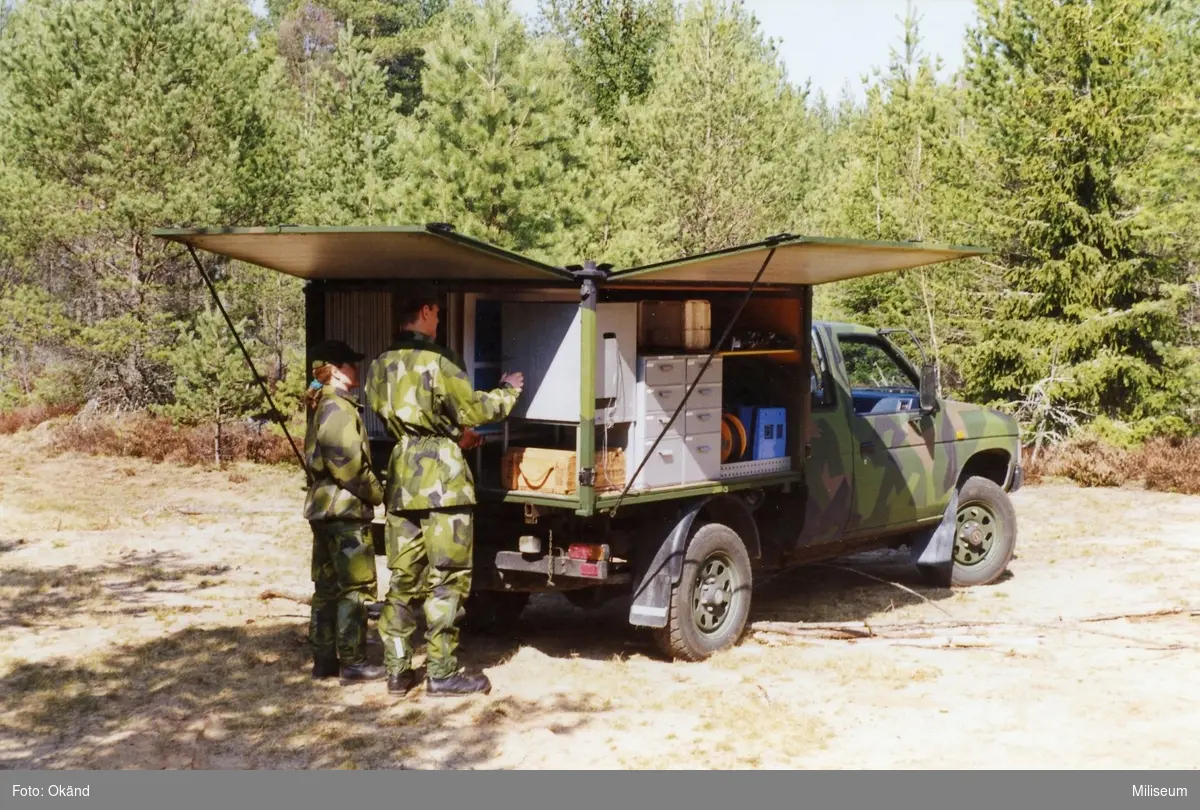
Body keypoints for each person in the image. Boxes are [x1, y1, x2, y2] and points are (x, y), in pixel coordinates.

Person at [364, 288, 523, 697]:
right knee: (448, 579)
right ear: (425, 310)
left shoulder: (379, 365)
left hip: (402, 480)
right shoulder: (440, 361)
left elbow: (405, 416)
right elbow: (474, 411)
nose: (439, 320)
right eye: (437, 313)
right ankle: (442, 672)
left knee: (401, 580)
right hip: (444, 485)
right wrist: (507, 389)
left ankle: (397, 672)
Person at [303, 339, 387, 684]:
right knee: (355, 588)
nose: (357, 369)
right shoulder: (337, 408)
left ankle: (324, 661)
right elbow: (349, 467)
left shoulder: (324, 405)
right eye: (350, 364)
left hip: (326, 509)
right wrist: (379, 494)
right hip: (344, 512)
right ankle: (352, 662)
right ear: (336, 372)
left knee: (326, 587)